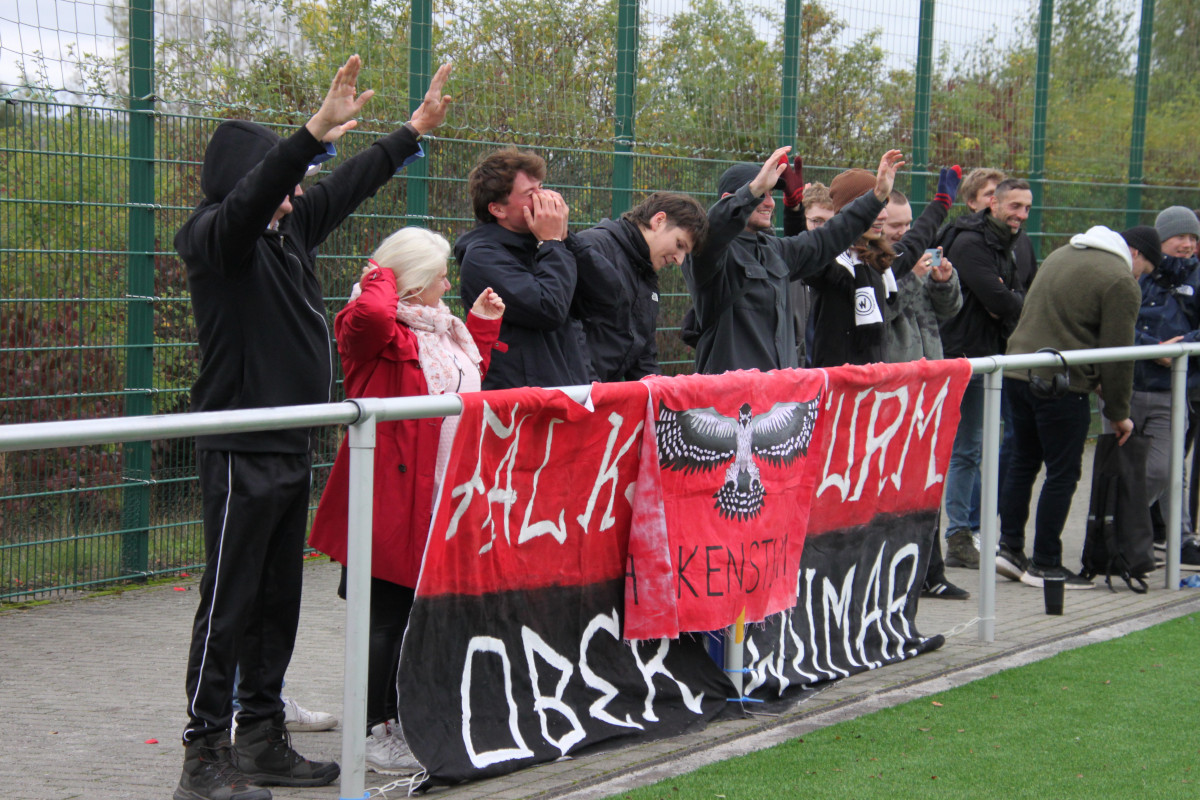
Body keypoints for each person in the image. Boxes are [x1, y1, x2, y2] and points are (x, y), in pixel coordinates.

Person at [172, 56, 451, 800]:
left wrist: (410, 133)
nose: (295, 199)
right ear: (250, 178)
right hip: (239, 449)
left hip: (293, 444)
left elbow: (343, 185)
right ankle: (203, 758)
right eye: (281, 182)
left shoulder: (287, 235)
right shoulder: (214, 239)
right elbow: (264, 190)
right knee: (229, 604)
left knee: (275, 603)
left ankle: (262, 737)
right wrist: (311, 132)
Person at [308, 228, 503, 774]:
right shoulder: (371, 327)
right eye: (439, 273)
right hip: (390, 497)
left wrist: (483, 327)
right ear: (413, 283)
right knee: (385, 619)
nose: (450, 282)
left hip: (441, 492)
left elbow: (461, 384)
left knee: (416, 618)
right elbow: (372, 314)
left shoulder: (443, 328)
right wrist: (382, 271)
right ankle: (374, 728)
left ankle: (400, 718)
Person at [995, 226, 1149, 587]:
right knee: (1063, 473)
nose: (1140, 276)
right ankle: (1045, 561)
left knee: (1022, 462)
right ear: (1135, 255)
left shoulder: (1061, 256)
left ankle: (1010, 548)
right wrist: (1118, 412)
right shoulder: (1120, 280)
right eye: (1145, 269)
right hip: (1061, 383)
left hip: (1017, 371)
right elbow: (1118, 354)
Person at [685, 146, 904, 374]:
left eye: (771, 194)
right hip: (732, 402)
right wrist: (753, 190)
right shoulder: (709, 255)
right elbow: (712, 231)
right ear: (730, 200)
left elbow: (828, 237)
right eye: (762, 195)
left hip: (781, 400)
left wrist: (876, 197)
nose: (770, 203)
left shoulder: (775, 250)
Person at [936, 178, 1035, 570]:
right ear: (992, 203)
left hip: (1004, 355)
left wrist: (1008, 302)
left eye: (1027, 208)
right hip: (967, 357)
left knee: (995, 447)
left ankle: (976, 530)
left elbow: (1026, 294)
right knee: (966, 449)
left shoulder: (1019, 241)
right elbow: (998, 299)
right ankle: (959, 533)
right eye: (1015, 206)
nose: (1021, 215)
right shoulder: (967, 241)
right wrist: (1007, 301)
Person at [877, 181, 967, 601]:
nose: (902, 232)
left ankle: (933, 570)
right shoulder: (875, 263)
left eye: (909, 224)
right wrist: (911, 278)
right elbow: (882, 313)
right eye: (895, 225)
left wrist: (944, 282)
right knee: (896, 490)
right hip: (893, 393)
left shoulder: (914, 261)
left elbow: (948, 312)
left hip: (929, 387)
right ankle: (900, 574)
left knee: (930, 482)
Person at [456, 147, 610, 389]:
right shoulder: (482, 257)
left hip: (573, 388)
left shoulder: (545, 244)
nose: (545, 197)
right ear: (498, 209)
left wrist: (565, 237)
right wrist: (552, 242)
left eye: (541, 187)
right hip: (523, 403)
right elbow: (548, 308)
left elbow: (607, 299)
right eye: (531, 193)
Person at [1127, 210, 1200, 568]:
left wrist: (1181, 347)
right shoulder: (1138, 273)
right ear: (1160, 240)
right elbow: (1118, 320)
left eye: (1193, 238)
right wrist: (1148, 347)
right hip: (1129, 386)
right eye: (1179, 237)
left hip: (1174, 389)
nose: (1187, 244)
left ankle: (1138, 529)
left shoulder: (1196, 277)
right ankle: (1139, 534)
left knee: (1166, 468)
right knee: (1160, 468)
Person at [576, 192, 708, 381]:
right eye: (679, 244)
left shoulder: (648, 278)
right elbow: (565, 331)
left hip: (600, 397)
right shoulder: (593, 248)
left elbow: (643, 356)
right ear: (659, 221)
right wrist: (589, 389)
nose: (679, 260)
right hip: (573, 394)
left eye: (685, 253)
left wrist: (659, 398)